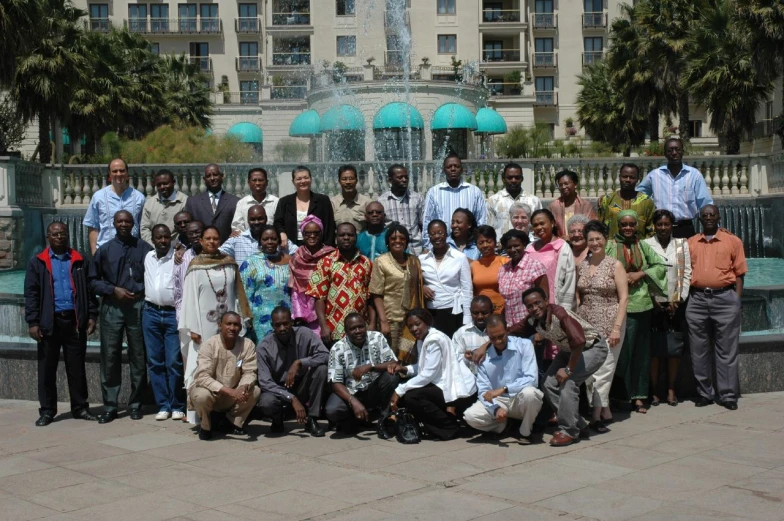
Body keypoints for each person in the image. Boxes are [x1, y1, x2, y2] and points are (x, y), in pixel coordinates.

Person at [25, 222, 98, 426]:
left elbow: (90, 291)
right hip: (50, 322)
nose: (59, 236)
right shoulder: (37, 262)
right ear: (48, 236)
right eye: (55, 234)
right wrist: (33, 322)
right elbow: (31, 294)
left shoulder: (80, 260)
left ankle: (80, 408)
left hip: (74, 322)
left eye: (62, 233)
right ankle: (47, 411)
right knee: (47, 369)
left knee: (77, 369)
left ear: (67, 236)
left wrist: (92, 315)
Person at [178, 226, 252, 425]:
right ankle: (198, 415)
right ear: (201, 241)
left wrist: (241, 318)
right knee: (200, 367)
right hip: (203, 327)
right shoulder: (195, 266)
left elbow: (236, 295)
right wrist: (192, 326)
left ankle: (227, 409)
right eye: (207, 238)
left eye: (215, 238)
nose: (212, 242)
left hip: (227, 327)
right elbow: (190, 299)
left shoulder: (228, 263)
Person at [521, 287, 609, 447]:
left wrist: (568, 369)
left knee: (569, 382)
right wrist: (486, 345)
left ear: (546, 301)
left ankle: (569, 430)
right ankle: (578, 424)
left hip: (592, 347)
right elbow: (511, 332)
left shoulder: (559, 314)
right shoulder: (532, 320)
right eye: (530, 306)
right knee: (548, 383)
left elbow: (579, 341)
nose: (534, 308)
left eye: (538, 303)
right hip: (569, 350)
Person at [88, 210, 153, 423]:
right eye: (120, 221)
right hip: (113, 307)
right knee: (110, 355)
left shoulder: (144, 248)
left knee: (138, 355)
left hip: (137, 306)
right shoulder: (105, 250)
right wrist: (112, 289)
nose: (124, 224)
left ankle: (135, 404)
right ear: (114, 223)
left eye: (127, 221)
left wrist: (141, 291)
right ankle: (110, 405)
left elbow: (156, 275)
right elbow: (93, 280)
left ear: (133, 223)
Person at [686, 204, 747, 410]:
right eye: (705, 215)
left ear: (719, 217)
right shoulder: (691, 243)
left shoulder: (733, 241)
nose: (709, 217)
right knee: (698, 350)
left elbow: (740, 273)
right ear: (700, 219)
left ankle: (728, 394)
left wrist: (736, 300)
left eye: (712, 214)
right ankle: (704, 393)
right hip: (697, 300)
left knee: (727, 350)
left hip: (725, 299)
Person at [608, 210, 667, 414]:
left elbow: (659, 265)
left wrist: (641, 273)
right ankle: (618, 396)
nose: (627, 228)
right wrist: (621, 277)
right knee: (621, 354)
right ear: (618, 225)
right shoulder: (609, 245)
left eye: (631, 224)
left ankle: (639, 397)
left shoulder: (642, 245)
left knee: (640, 353)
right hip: (617, 306)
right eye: (623, 224)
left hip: (641, 305)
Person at [576, 220, 629, 432]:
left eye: (599, 239)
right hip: (587, 325)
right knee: (589, 371)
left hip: (610, 323)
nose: (595, 243)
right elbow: (579, 296)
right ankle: (604, 409)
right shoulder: (582, 265)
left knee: (604, 370)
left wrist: (616, 327)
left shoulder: (614, 265)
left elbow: (624, 298)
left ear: (606, 240)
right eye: (591, 239)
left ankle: (596, 416)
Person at [388, 308, 470, 441]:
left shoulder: (433, 340)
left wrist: (399, 390)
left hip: (457, 388)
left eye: (417, 324)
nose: (414, 329)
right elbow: (424, 367)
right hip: (442, 383)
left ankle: (448, 427)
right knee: (411, 393)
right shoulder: (424, 338)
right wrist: (404, 369)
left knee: (412, 397)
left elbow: (427, 374)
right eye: (410, 326)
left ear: (426, 322)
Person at [463, 315, 543, 444]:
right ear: (487, 337)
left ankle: (525, 432)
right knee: (470, 416)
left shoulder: (524, 345)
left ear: (507, 330)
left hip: (519, 399)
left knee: (531, 393)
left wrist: (503, 389)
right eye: (493, 338)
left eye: (501, 336)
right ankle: (502, 426)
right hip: (499, 401)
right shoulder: (484, 356)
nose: (498, 341)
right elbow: (483, 390)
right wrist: (495, 409)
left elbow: (531, 379)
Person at [643, 209, 691, 407]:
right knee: (654, 350)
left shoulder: (682, 244)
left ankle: (671, 389)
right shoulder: (645, 244)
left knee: (674, 349)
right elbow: (643, 273)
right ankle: (655, 390)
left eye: (666, 224)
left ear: (672, 225)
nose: (663, 228)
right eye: (659, 224)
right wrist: (654, 300)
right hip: (653, 304)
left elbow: (687, 272)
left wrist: (678, 300)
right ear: (654, 225)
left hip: (676, 302)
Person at [256, 306, 329, 436]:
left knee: (322, 370)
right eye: (278, 325)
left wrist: (300, 362)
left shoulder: (304, 334)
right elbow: (265, 382)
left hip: (301, 385)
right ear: (272, 326)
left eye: (285, 323)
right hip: (278, 390)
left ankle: (312, 418)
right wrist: (291, 398)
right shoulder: (264, 347)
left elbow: (325, 355)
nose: (282, 328)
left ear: (292, 322)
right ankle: (277, 420)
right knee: (266, 402)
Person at [190, 312, 260, 440]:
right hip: (212, 393)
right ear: (220, 325)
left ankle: (230, 422)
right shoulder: (209, 345)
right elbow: (203, 377)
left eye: (236, 325)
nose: (232, 328)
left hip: (233, 394)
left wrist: (243, 387)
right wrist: (231, 392)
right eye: (228, 324)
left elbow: (250, 372)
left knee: (254, 391)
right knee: (200, 395)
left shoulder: (247, 344)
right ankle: (206, 426)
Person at [325, 314, 400, 433]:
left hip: (374, 388)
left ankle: (384, 419)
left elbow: (394, 363)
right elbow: (335, 383)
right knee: (333, 410)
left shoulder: (377, 337)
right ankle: (357, 420)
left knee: (392, 376)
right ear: (346, 331)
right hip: (352, 391)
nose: (358, 331)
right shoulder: (337, 348)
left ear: (365, 326)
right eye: (353, 328)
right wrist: (353, 401)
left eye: (361, 327)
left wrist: (371, 367)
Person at [143, 224, 185, 421]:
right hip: (150, 312)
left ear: (171, 238)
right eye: (158, 237)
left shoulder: (179, 257)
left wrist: (181, 247)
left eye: (166, 237)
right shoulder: (148, 257)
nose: (162, 241)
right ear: (153, 239)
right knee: (155, 362)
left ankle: (177, 404)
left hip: (171, 315)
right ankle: (163, 405)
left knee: (174, 362)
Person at [307, 223, 373, 345]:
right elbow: (318, 297)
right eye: (342, 235)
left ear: (356, 237)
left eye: (350, 235)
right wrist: (323, 326)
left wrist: (373, 323)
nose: (346, 238)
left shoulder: (366, 263)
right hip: (334, 328)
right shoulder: (325, 263)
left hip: (361, 329)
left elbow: (371, 297)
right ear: (336, 238)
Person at [368, 224, 425, 361]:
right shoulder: (381, 261)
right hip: (391, 320)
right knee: (391, 356)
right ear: (388, 242)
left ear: (406, 241)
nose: (397, 241)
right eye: (393, 238)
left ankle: (407, 380)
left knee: (408, 355)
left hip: (411, 322)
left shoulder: (414, 260)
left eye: (401, 238)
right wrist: (383, 321)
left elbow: (418, 285)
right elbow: (376, 293)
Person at [638, 137, 714, 238]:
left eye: (677, 149)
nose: (674, 153)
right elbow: (639, 196)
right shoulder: (654, 175)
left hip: (685, 229)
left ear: (683, 151)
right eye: (670, 150)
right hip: (661, 228)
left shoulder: (694, 175)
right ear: (665, 153)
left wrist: (714, 229)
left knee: (685, 254)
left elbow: (705, 204)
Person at [418, 220, 473, 338]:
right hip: (431, 311)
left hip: (454, 311)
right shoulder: (422, 259)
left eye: (440, 233)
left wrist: (467, 318)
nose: (437, 236)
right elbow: (415, 280)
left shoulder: (459, 257)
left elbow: (467, 289)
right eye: (432, 234)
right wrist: (422, 287)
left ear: (446, 234)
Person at [422, 154, 488, 248]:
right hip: (442, 247)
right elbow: (427, 221)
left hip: (469, 246)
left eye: (456, 166)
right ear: (444, 170)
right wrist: (428, 247)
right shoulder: (434, 192)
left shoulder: (474, 191)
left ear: (461, 169)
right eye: (449, 167)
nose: (453, 169)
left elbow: (481, 220)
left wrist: (479, 245)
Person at [84, 158, 146, 254]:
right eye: (115, 171)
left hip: (132, 251)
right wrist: (94, 252)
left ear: (127, 173)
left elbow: (143, 227)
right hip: (105, 252)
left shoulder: (139, 198)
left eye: (122, 171)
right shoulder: (98, 197)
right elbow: (93, 226)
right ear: (109, 174)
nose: (118, 174)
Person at [240, 225, 291, 340]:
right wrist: (247, 319)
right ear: (259, 241)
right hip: (260, 320)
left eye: (273, 239)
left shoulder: (290, 261)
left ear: (278, 240)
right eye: (265, 239)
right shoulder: (250, 262)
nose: (270, 242)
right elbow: (244, 294)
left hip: (285, 319)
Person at [288, 216, 335, 335]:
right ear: (303, 235)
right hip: (303, 313)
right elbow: (294, 290)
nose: (312, 236)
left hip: (328, 308)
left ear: (322, 233)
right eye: (308, 233)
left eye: (316, 232)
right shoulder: (296, 257)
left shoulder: (332, 255)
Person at [497, 230, 548, 335]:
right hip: (510, 328)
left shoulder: (535, 266)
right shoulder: (503, 269)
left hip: (532, 328)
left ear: (524, 244)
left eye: (516, 245)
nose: (513, 250)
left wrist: (541, 331)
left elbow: (545, 299)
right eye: (509, 247)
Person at [527, 209, 576, 311]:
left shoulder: (562, 247)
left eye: (542, 223)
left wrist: (564, 309)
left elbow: (569, 279)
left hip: (555, 305)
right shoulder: (529, 249)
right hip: (533, 308)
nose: (539, 227)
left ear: (552, 223)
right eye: (535, 225)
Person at [274, 166, 336, 247]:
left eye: (306, 177)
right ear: (293, 181)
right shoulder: (284, 202)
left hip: (317, 247)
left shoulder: (323, 201)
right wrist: (281, 233)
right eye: (299, 179)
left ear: (311, 179)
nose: (303, 181)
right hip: (291, 247)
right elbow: (278, 223)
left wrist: (326, 248)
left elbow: (329, 227)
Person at [220, 204, 295, 266]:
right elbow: (216, 253)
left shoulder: (277, 238)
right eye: (252, 219)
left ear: (266, 219)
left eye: (260, 219)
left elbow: (299, 254)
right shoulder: (237, 239)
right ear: (248, 220)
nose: (256, 222)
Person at [184, 164, 240, 244]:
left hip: (227, 251)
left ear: (222, 176)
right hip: (201, 251)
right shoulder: (193, 202)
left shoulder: (235, 201)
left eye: (215, 175)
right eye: (208, 176)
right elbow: (187, 229)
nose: (212, 178)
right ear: (204, 179)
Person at [598, 164, 655, 239]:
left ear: (638, 179)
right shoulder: (607, 200)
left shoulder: (646, 202)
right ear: (619, 177)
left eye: (632, 177)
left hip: (639, 248)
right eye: (625, 176)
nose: (628, 180)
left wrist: (644, 247)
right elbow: (599, 227)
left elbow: (652, 230)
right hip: (612, 248)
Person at [377, 164, 424, 254]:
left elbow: (423, 225)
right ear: (390, 180)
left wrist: (426, 246)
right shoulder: (381, 201)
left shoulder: (417, 198)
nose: (404, 180)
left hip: (416, 251)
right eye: (400, 177)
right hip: (393, 252)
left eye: (406, 177)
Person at [487, 162, 542, 234]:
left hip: (527, 244)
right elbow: (488, 228)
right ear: (504, 179)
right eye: (510, 177)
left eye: (517, 177)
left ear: (522, 179)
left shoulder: (534, 201)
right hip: (501, 244)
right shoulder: (493, 201)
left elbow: (539, 226)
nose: (513, 180)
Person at [140, 169, 188, 246]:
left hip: (178, 248)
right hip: (155, 248)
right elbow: (145, 229)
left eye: (165, 183)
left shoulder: (185, 201)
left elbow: (187, 228)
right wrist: (154, 245)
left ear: (173, 182)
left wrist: (175, 245)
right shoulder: (149, 203)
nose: (162, 187)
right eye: (159, 185)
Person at [470, 226, 510, 315]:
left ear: (495, 242)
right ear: (476, 245)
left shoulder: (505, 262)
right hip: (481, 315)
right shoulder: (473, 266)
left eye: (488, 241)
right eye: (481, 242)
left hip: (503, 312)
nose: (485, 245)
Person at [548, 170, 597, 238]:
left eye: (566, 183)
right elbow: (549, 229)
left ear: (575, 184)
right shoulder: (553, 206)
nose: (563, 187)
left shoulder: (586, 206)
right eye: (560, 185)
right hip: (561, 245)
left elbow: (594, 227)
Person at [231, 167, 279, 234]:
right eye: (254, 180)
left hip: (270, 241)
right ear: (249, 183)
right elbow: (237, 227)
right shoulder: (242, 203)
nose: (257, 183)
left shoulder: (276, 202)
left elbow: (280, 225)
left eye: (260, 180)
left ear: (267, 182)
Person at [173, 220, 204, 319]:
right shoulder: (181, 258)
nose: (194, 236)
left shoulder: (217, 256)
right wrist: (180, 313)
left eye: (197, 232)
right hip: (189, 312)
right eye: (190, 233)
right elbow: (177, 289)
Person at [331, 165, 371, 233]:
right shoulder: (332, 203)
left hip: (359, 243)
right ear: (339, 181)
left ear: (356, 180)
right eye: (344, 179)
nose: (348, 182)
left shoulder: (367, 203)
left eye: (351, 178)